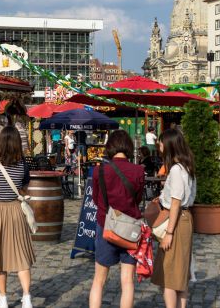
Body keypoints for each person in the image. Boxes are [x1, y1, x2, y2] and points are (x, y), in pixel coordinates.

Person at [89, 130, 146, 308]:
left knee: (99, 280)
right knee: (127, 281)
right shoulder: (138, 171)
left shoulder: (99, 170)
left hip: (106, 226)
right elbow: (137, 199)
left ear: (110, 147)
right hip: (130, 229)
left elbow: (95, 199)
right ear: (128, 147)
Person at [0, 126, 35, 308]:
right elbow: (24, 188)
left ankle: (3, 298)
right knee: (21, 254)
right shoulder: (22, 164)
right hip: (16, 211)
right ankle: (26, 297)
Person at [151, 128, 196, 308]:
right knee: (180, 273)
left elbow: (176, 202)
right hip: (184, 218)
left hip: (175, 221)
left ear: (169, 144)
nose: (159, 145)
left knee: (169, 275)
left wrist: (169, 232)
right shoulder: (187, 166)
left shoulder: (177, 169)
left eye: (161, 142)